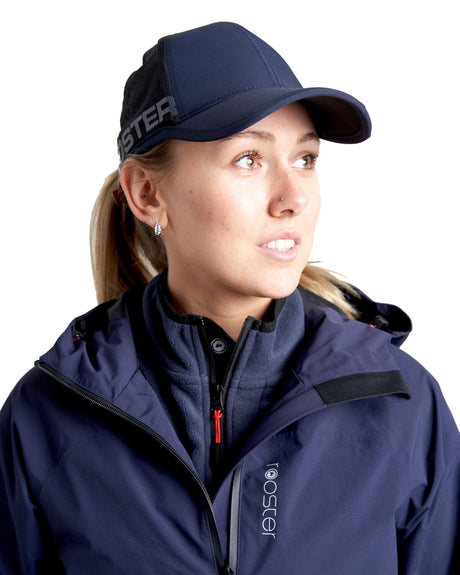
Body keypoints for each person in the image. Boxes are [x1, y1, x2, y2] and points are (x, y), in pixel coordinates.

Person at [0, 21, 459, 575]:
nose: (293, 198)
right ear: (146, 193)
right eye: (249, 159)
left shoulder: (402, 407)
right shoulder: (45, 418)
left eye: (306, 159)